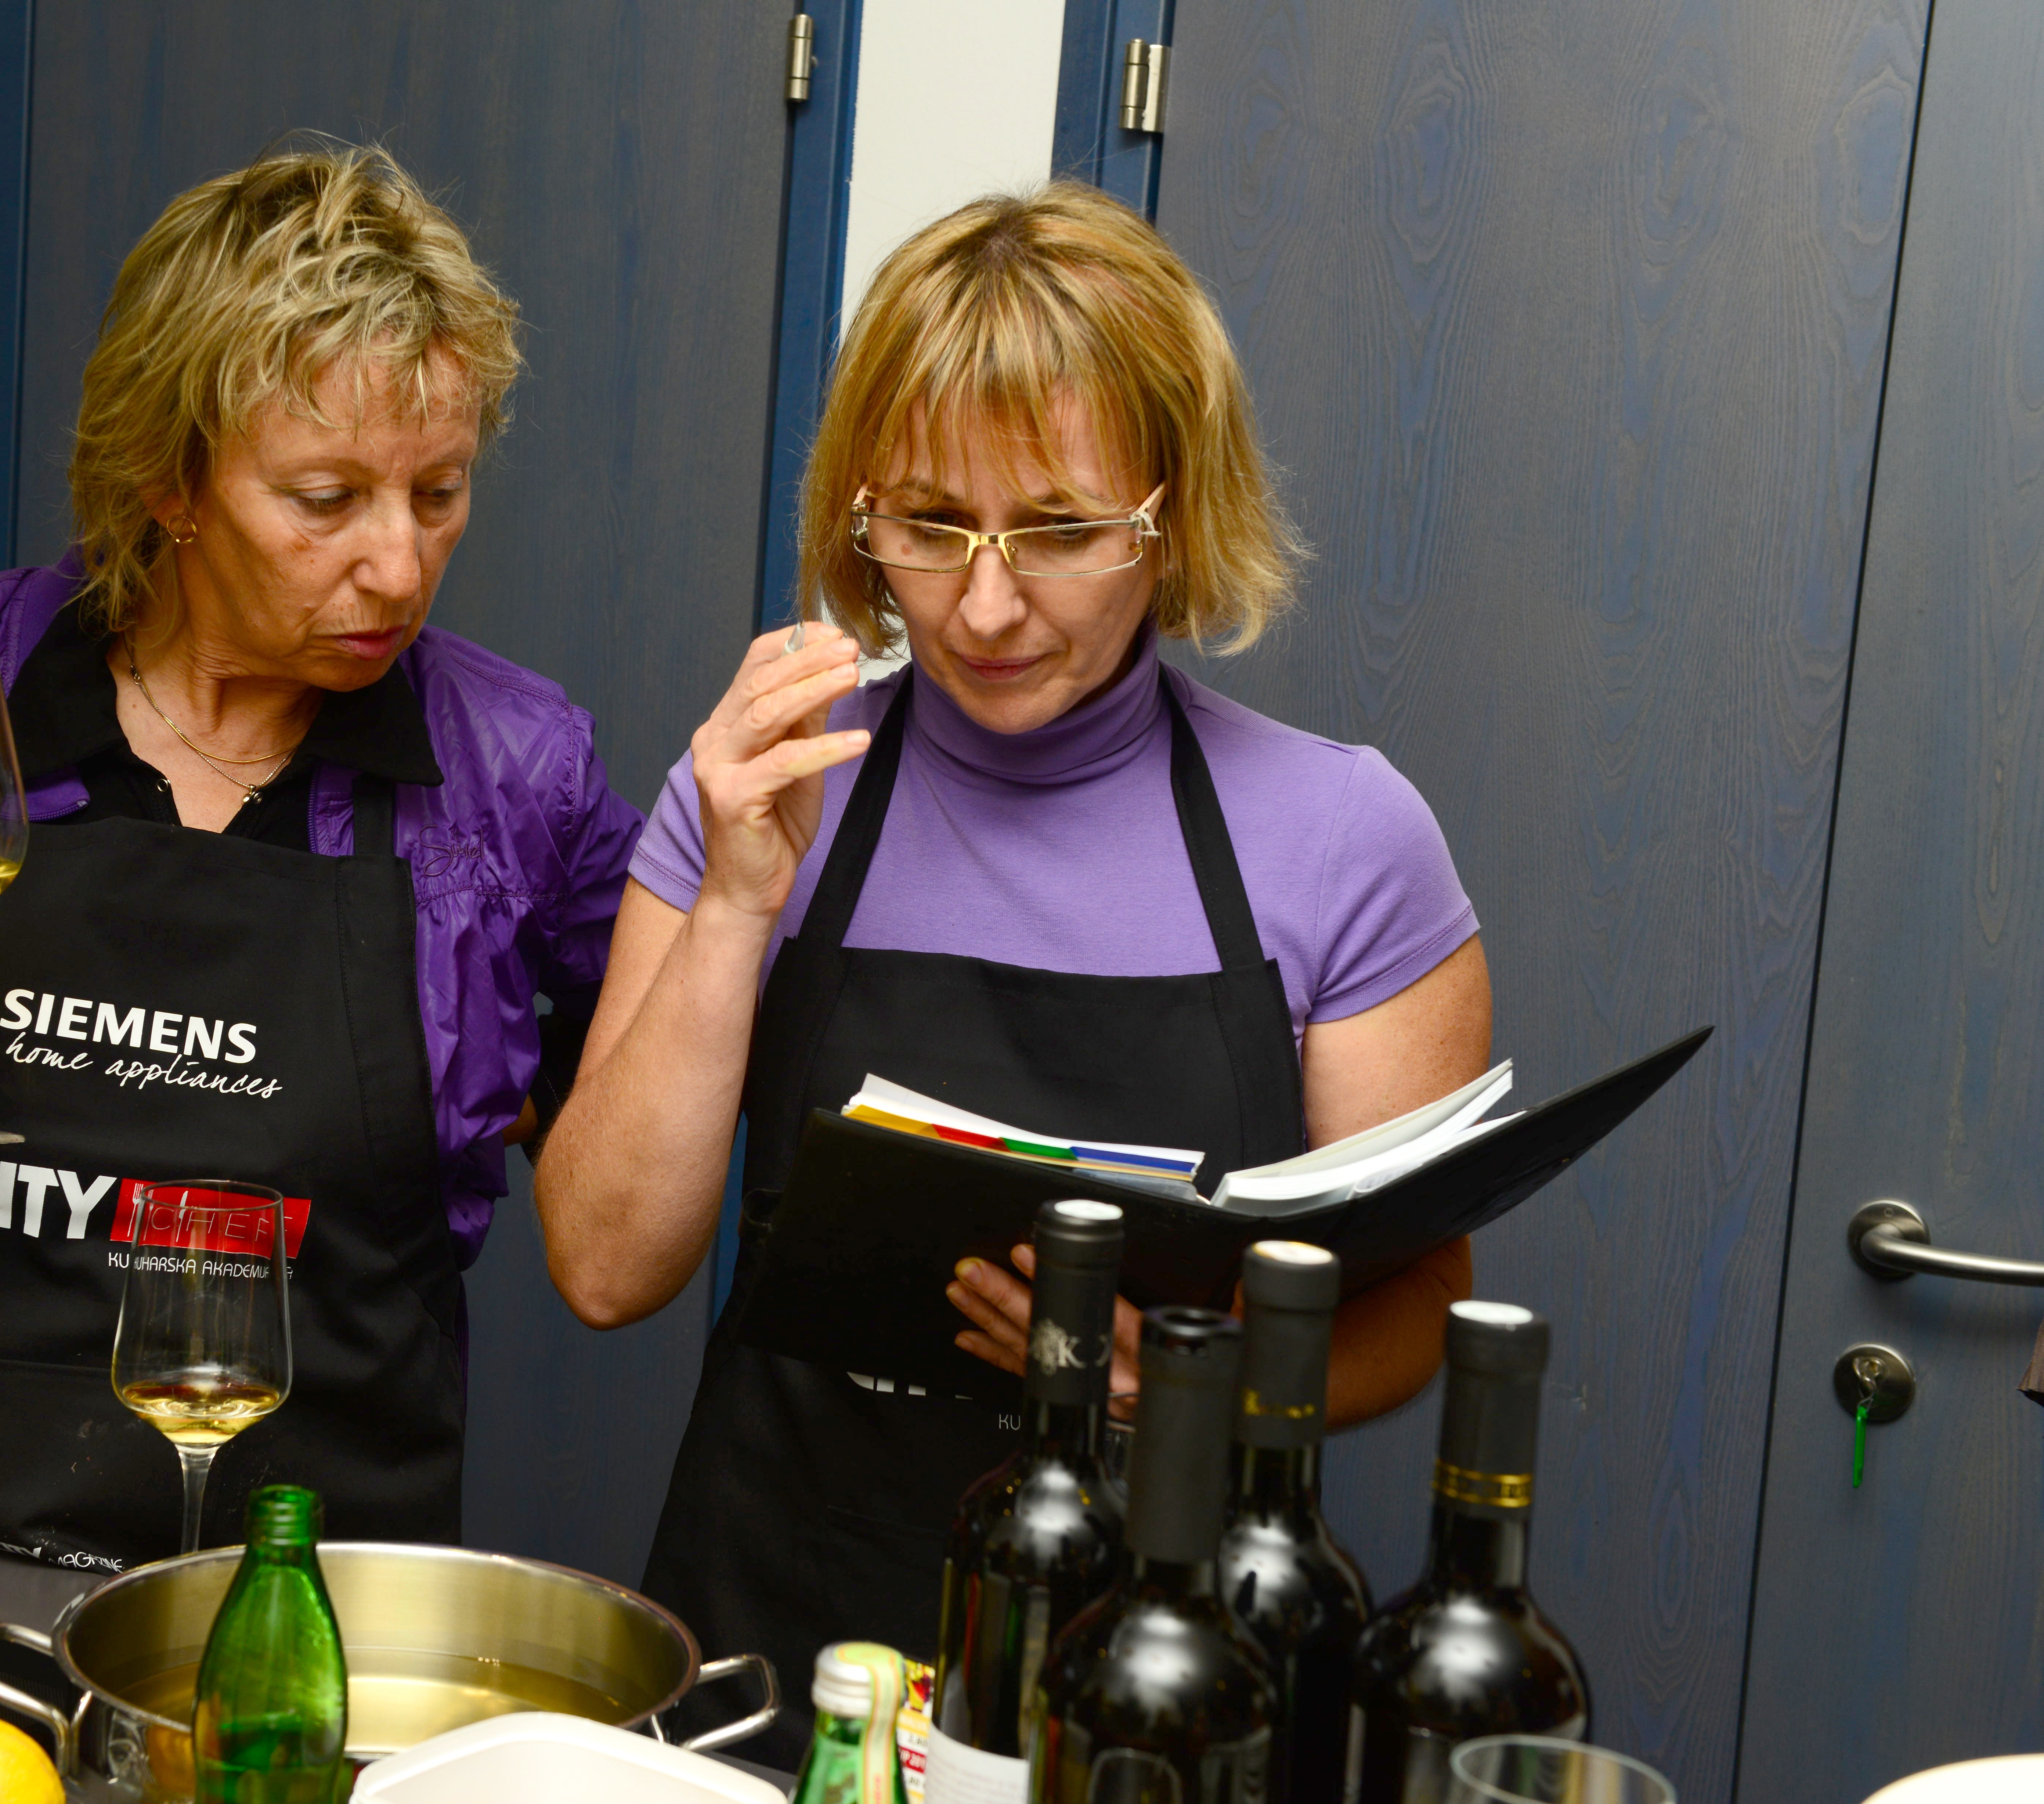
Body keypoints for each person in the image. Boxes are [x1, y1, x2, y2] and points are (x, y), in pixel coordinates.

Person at [532, 182, 1488, 1756]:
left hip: (1160, 1682)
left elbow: (1420, 1299)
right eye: (927, 527)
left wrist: (1208, 1385)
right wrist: (735, 901)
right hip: (783, 1655)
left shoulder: (1342, 840)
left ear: (1174, 513)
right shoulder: (762, 794)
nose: (982, 607)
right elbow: (603, 1267)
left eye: (1058, 532)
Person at [0, 146, 640, 1569]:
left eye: (439, 492)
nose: (401, 566)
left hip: (293, 1604)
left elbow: (628, 1141)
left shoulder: (516, 773)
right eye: (326, 498)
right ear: (172, 479)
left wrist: (543, 1063)